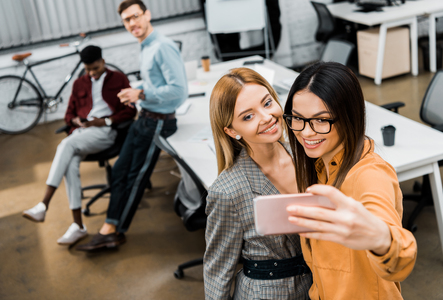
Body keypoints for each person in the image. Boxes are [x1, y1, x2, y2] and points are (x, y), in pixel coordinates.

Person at [282, 61, 417, 299]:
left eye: (321, 120)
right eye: (296, 118)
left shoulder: (369, 174)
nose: (306, 132)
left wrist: (381, 239)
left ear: (348, 116)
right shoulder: (319, 167)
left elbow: (400, 256)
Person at [76, 0, 188, 251]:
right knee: (119, 172)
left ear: (147, 15)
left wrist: (141, 93)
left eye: (136, 16)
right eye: (127, 20)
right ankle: (111, 224)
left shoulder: (162, 47)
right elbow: (157, 86)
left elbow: (179, 92)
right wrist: (138, 92)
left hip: (158, 123)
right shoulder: (146, 45)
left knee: (136, 178)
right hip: (145, 118)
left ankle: (114, 231)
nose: (132, 23)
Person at [204, 68, 312, 299]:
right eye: (248, 116)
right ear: (232, 131)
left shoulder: (306, 154)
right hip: (267, 293)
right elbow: (218, 271)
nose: (266, 117)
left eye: (267, 103)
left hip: (318, 285)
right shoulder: (227, 191)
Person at [22, 45, 136, 245]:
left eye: (95, 68)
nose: (91, 73)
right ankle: (78, 226)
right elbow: (68, 114)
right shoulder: (79, 83)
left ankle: (44, 204)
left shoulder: (119, 79)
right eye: (87, 69)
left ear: (103, 61)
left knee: (65, 146)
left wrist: (105, 121)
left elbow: (129, 112)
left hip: (106, 133)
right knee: (70, 161)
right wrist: (74, 121)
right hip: (82, 133)